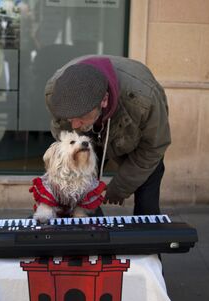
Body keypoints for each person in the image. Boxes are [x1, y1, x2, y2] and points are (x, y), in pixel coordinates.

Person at [45, 55, 171, 215]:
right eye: (70, 118)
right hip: (93, 129)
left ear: (104, 100)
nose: (74, 126)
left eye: (80, 117)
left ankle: (147, 233)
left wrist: (121, 186)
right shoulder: (55, 91)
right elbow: (63, 134)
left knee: (147, 204)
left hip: (134, 134)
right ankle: (89, 231)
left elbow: (152, 148)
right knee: (77, 198)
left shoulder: (145, 100)